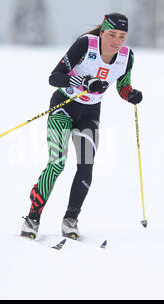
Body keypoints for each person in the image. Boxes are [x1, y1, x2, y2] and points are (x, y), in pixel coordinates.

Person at [21, 13, 143, 239]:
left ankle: (71, 219)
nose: (116, 41)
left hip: (89, 114)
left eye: (122, 36)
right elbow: (54, 77)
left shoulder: (127, 57)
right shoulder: (86, 45)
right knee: (57, 163)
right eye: (112, 34)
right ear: (103, 32)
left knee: (86, 165)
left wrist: (131, 95)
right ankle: (32, 218)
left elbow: (123, 87)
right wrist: (84, 81)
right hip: (64, 107)